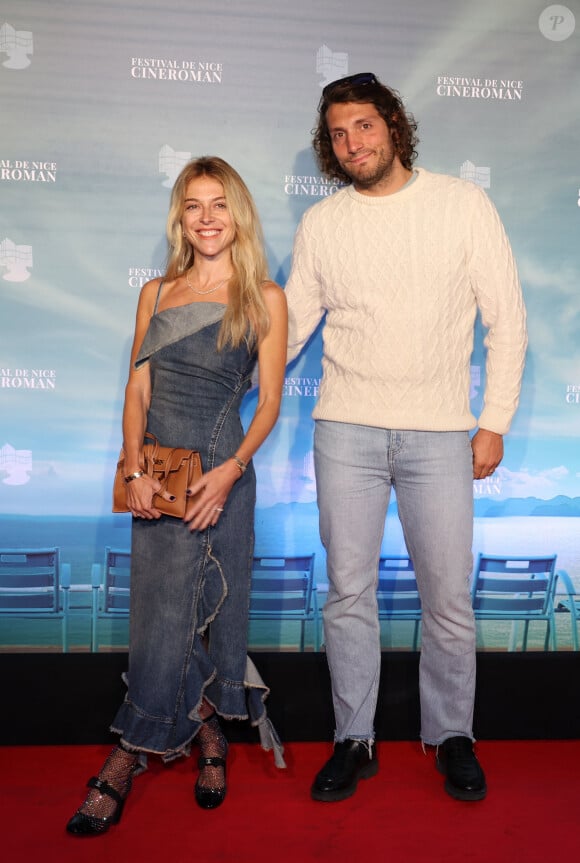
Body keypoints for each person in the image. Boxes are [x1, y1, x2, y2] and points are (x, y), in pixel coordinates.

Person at [285, 73, 527, 803]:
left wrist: (496, 422)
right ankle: (353, 738)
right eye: (337, 133)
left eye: (363, 125)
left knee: (449, 596)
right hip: (345, 429)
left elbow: (506, 318)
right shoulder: (323, 224)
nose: (352, 142)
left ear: (392, 124)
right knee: (347, 592)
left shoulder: (463, 204)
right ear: (328, 147)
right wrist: (220, 378)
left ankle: (452, 734)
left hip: (442, 434)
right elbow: (290, 326)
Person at [67, 156, 287, 836]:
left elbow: (272, 402)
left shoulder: (265, 299)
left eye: (219, 204)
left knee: (210, 615)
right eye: (193, 205)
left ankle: (186, 739)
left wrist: (232, 472)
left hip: (221, 476)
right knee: (160, 615)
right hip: (159, 480)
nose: (207, 217)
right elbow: (137, 389)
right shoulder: (157, 292)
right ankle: (146, 744)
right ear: (180, 218)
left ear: (238, 213)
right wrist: (132, 467)